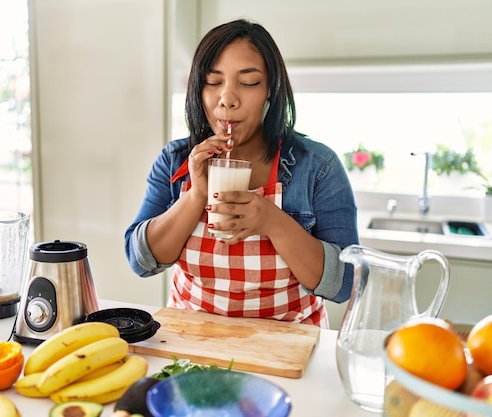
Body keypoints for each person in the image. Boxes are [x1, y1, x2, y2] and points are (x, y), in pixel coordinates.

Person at [124, 19, 358, 328]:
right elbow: (140, 261)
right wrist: (196, 196)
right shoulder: (175, 160)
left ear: (271, 91)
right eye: (213, 81)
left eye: (248, 83)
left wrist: (272, 221)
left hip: (291, 351)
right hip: (191, 345)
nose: (227, 99)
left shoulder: (317, 166)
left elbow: (342, 285)